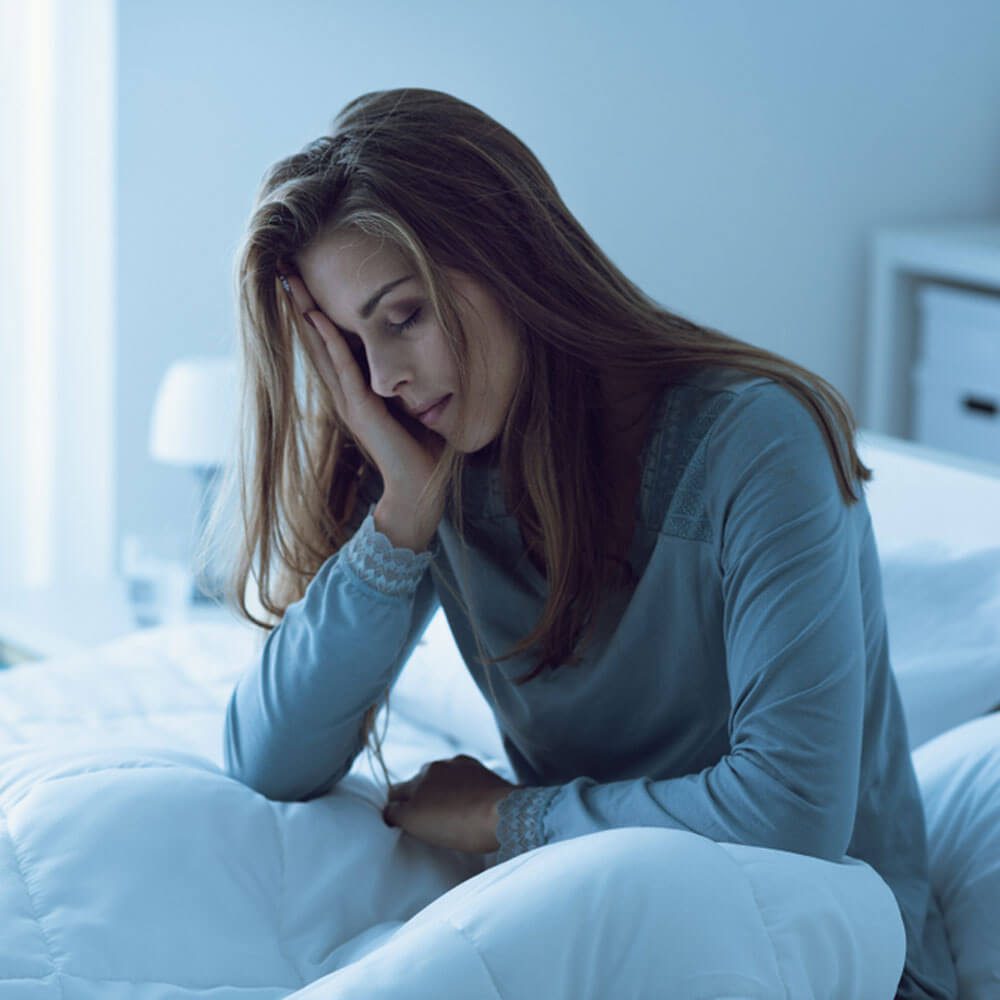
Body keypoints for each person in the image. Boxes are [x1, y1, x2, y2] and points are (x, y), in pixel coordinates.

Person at [210, 87, 957, 999]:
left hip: (834, 951)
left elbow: (790, 814)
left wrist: (503, 817)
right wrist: (401, 517)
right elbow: (268, 759)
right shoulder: (431, 463)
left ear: (509, 256)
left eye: (403, 316)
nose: (387, 378)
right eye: (352, 348)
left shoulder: (754, 438)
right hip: (600, 925)